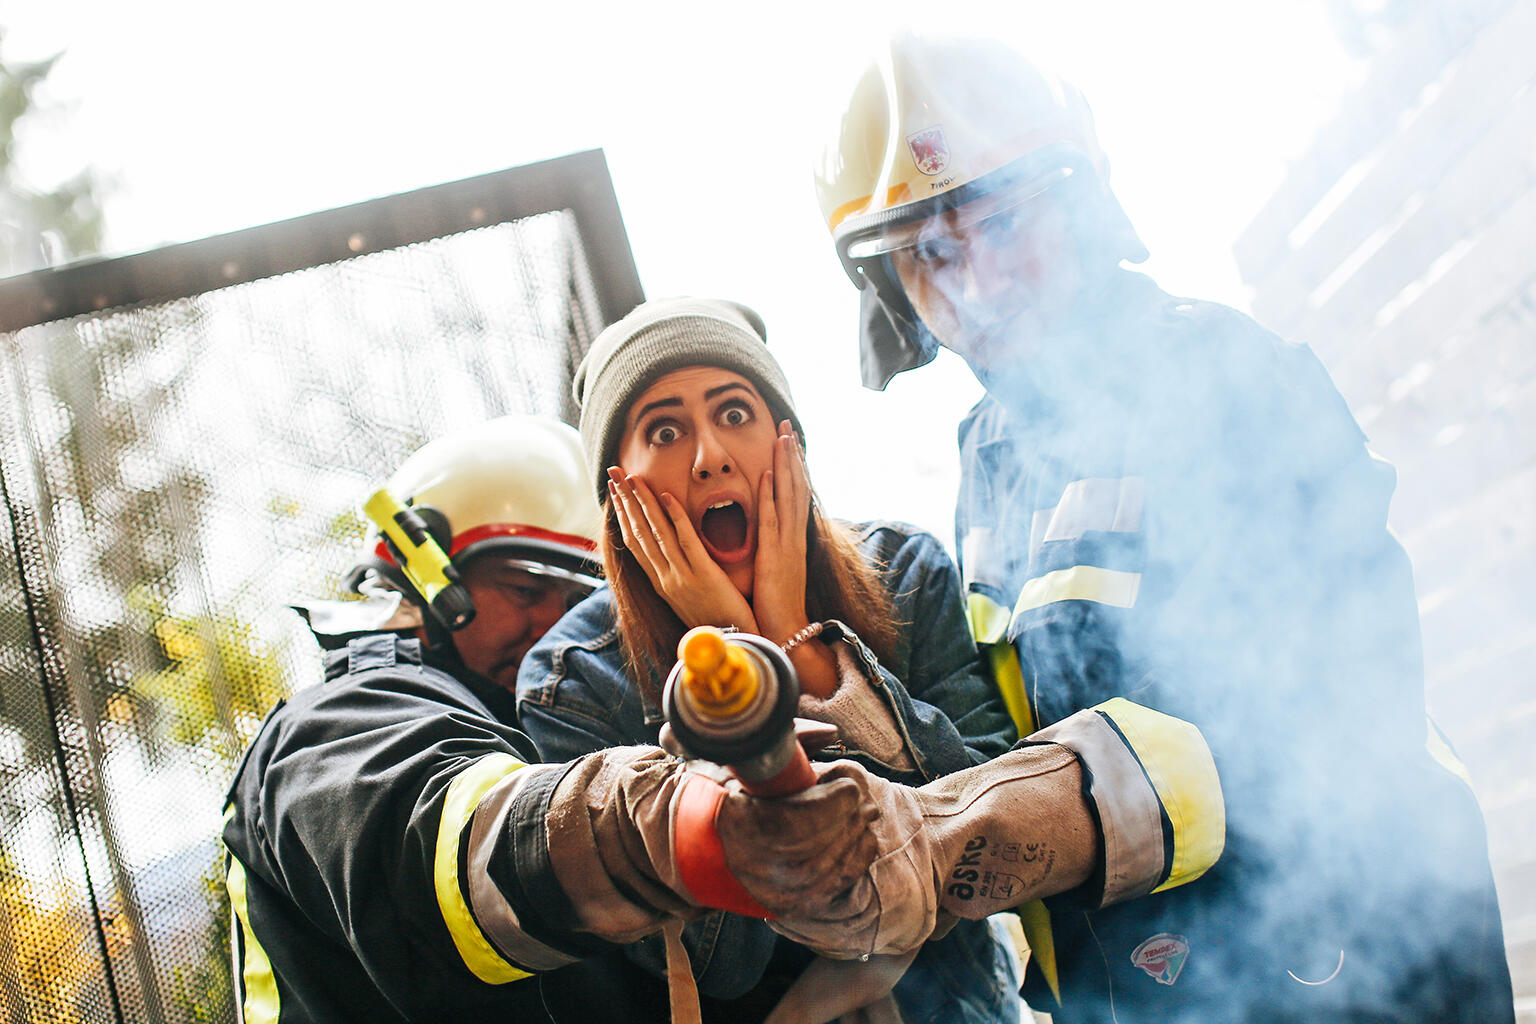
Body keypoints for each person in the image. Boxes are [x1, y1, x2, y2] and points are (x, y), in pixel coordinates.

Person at [812, 33, 1515, 1023]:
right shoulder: (991, 462)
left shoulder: (1223, 377)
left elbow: (1334, 705)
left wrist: (1052, 812)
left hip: (1351, 965)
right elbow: (1031, 722)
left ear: (1079, 204)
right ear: (893, 289)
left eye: (1006, 219)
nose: (979, 277)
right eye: (931, 248)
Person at [515, 296, 1220, 1023]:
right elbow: (714, 963)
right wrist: (734, 663)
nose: (711, 456)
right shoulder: (573, 681)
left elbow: (989, 819)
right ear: (618, 489)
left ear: (789, 443)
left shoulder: (903, 569)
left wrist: (799, 650)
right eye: (664, 430)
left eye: (734, 414)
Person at [220, 414, 901, 1024]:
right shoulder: (335, 727)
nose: (559, 631)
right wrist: (679, 832)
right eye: (523, 590)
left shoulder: (539, 732)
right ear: (426, 574)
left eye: (578, 603)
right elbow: (460, 847)